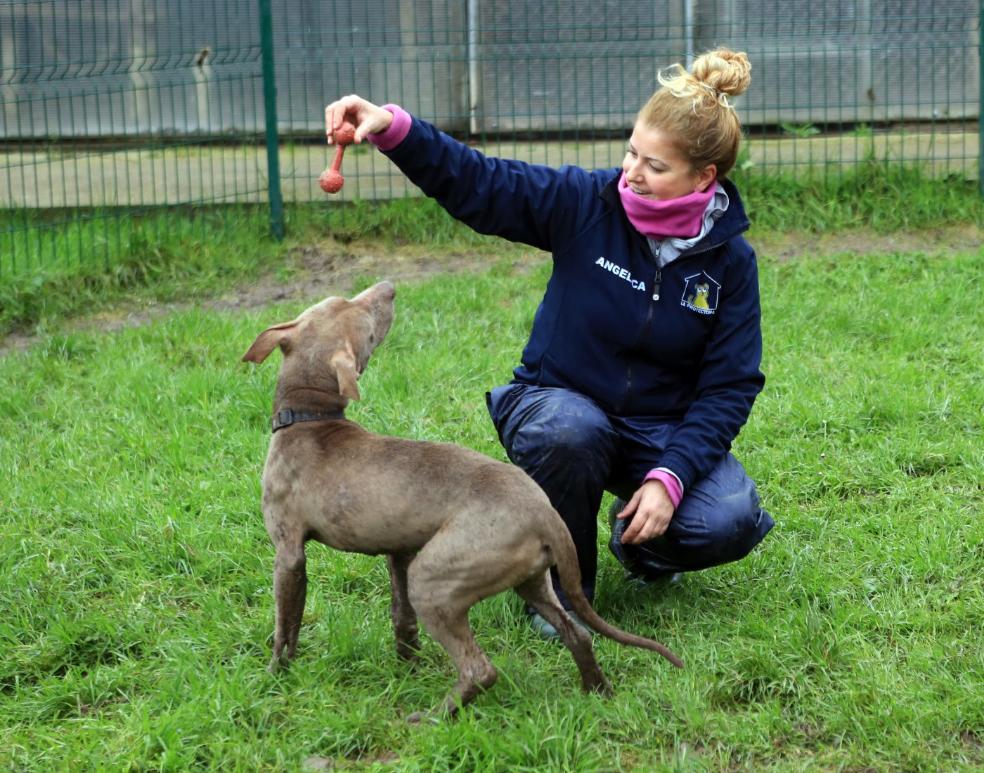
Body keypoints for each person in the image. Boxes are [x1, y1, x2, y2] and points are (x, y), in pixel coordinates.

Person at [325, 48, 774, 638]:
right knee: (570, 432)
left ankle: (640, 543)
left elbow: (729, 387)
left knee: (729, 520)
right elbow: (484, 184)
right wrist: (395, 130)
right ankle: (561, 594)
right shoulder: (587, 204)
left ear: (704, 177)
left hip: (656, 431)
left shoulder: (730, 263)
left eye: (654, 166)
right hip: (556, 404)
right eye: (630, 152)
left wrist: (670, 477)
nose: (631, 173)